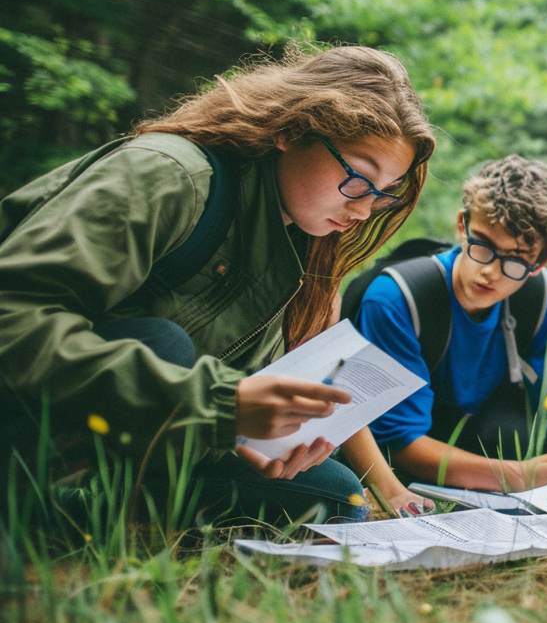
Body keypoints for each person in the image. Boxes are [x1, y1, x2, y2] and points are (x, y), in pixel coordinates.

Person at [0, 45, 436, 522]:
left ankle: (90, 513)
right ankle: (49, 509)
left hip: (149, 433)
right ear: (291, 131)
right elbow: (14, 316)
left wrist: (269, 433)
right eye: (357, 177)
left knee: (336, 499)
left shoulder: (302, 245)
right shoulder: (170, 175)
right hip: (31, 408)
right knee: (159, 342)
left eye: (382, 194)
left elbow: (233, 397)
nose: (362, 209)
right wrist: (220, 407)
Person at [356, 155, 547, 492]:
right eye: (484, 245)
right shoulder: (397, 299)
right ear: (462, 226)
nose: (490, 272)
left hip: (486, 436)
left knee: (513, 434)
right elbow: (400, 442)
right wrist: (520, 476)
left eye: (515, 260)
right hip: (409, 451)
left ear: (541, 261)